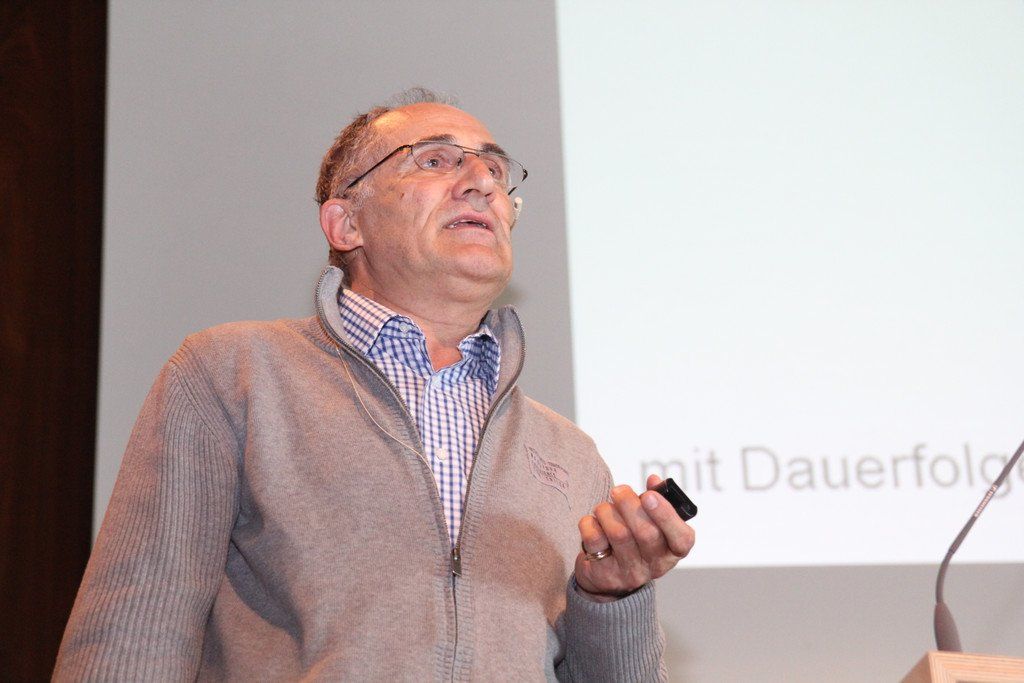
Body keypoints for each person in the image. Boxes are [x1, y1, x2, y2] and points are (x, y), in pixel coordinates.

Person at [54, 89, 695, 681]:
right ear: (346, 225)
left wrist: (614, 596)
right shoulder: (234, 373)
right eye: (436, 161)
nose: (481, 182)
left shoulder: (569, 454)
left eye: (496, 171)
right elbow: (134, 633)